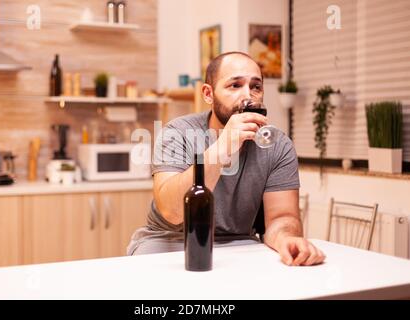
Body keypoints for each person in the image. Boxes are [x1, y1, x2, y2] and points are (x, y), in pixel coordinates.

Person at [127, 51, 325, 266]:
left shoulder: (278, 145)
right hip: (168, 242)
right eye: (235, 85)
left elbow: (281, 218)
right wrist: (221, 148)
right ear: (208, 94)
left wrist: (287, 238)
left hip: (239, 244)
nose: (248, 95)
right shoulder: (177, 132)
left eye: (255, 87)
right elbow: (172, 212)